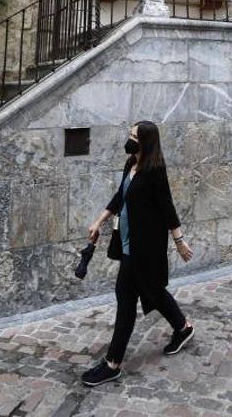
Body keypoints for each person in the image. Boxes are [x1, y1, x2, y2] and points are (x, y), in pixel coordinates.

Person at [81, 120, 194, 387]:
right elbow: (119, 197)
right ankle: (184, 328)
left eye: (134, 136)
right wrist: (99, 221)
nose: (129, 140)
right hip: (128, 244)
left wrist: (179, 241)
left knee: (126, 299)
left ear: (146, 141)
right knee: (153, 291)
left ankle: (112, 363)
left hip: (146, 249)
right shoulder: (130, 164)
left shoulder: (155, 170)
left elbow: (168, 207)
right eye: (129, 134)